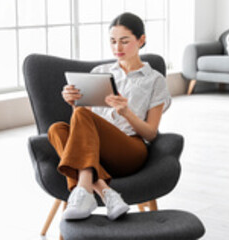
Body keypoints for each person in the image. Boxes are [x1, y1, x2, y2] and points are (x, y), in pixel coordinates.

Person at [53, 12, 170, 221]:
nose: (118, 48)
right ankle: (107, 193)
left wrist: (127, 113)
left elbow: (151, 134)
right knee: (56, 130)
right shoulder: (100, 71)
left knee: (78, 120)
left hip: (130, 149)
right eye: (113, 42)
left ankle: (85, 188)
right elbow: (83, 124)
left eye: (124, 41)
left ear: (141, 40)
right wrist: (74, 104)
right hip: (95, 150)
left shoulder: (155, 80)